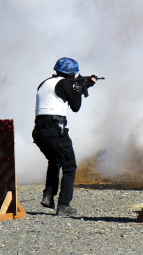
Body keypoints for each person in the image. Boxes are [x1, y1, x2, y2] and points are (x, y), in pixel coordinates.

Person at [33, 57, 97, 217]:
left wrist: (82, 86)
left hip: (39, 132)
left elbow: (61, 95)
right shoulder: (65, 83)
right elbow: (76, 107)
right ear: (71, 74)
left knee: (54, 161)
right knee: (70, 166)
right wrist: (80, 89)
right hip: (55, 130)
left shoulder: (44, 83)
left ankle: (48, 196)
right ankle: (63, 206)